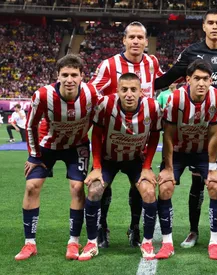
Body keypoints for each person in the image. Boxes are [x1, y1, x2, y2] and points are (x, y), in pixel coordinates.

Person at [154, 9, 217, 248]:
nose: (213, 26)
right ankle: (193, 231)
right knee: (200, 180)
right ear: (203, 26)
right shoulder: (191, 53)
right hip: (200, 128)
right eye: (209, 22)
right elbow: (168, 79)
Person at [14, 54, 99, 261]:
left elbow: (100, 124)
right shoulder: (43, 95)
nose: (69, 79)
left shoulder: (92, 93)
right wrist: (34, 156)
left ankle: (73, 241)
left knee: (78, 188)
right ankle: (29, 244)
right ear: (57, 76)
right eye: (65, 75)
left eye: (74, 75)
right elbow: (30, 125)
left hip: (77, 146)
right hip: (47, 146)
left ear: (82, 77)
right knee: (32, 186)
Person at [89, 21, 165, 248]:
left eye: (140, 38)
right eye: (131, 37)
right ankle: (101, 228)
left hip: (138, 144)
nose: (135, 41)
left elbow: (165, 79)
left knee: (140, 187)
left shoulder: (152, 63)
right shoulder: (109, 65)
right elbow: (92, 92)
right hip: (111, 141)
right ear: (124, 40)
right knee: (102, 187)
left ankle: (134, 227)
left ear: (146, 42)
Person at [77, 73, 162, 261]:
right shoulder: (106, 105)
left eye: (133, 89)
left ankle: (142, 237)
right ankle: (93, 240)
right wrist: (97, 166)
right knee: (94, 190)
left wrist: (147, 166)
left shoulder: (152, 107)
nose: (129, 94)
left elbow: (155, 135)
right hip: (109, 158)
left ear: (141, 91)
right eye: (124, 89)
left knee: (148, 191)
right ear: (117, 91)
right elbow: (96, 135)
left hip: (135, 158)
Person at [156, 60, 217, 260]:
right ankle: (167, 243)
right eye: (197, 79)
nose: (201, 83)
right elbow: (167, 135)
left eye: (206, 79)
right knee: (165, 187)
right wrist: (168, 167)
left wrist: (212, 168)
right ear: (188, 80)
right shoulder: (175, 99)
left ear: (211, 80)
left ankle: (214, 243)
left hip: (202, 151)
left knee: (215, 186)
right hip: (177, 151)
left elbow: (214, 135)